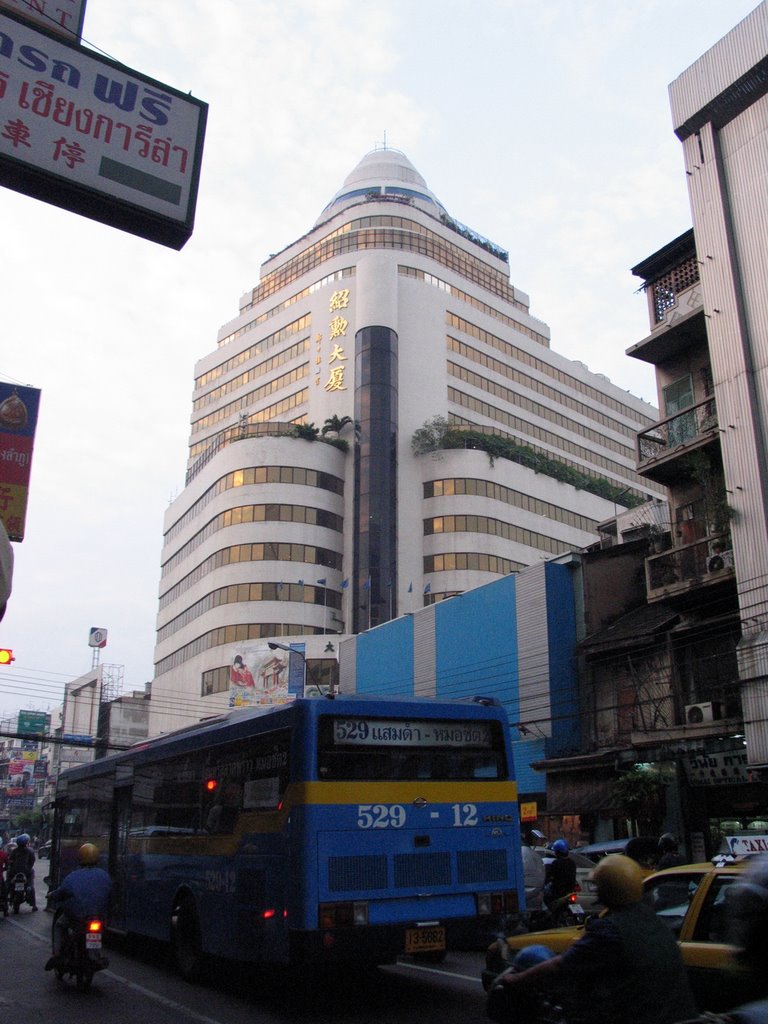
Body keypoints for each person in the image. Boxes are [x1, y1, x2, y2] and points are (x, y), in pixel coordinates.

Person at [494, 854, 697, 1024]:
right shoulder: (654, 922)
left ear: (605, 890)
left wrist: (516, 979)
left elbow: (560, 966)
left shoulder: (609, 931)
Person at [45, 843, 112, 970]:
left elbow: (61, 892)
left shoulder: (72, 876)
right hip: (97, 916)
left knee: (59, 925)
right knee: (96, 932)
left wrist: (51, 895)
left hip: (78, 917)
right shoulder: (104, 876)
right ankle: (95, 956)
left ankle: (57, 954)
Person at [544, 838, 577, 907]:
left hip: (558, 891)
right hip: (570, 890)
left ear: (557, 852)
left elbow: (549, 875)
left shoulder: (556, 863)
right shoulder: (572, 863)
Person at [8, 833, 37, 909]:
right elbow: (32, 861)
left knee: (9, 883)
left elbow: (10, 861)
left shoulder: (14, 851)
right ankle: (34, 905)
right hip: (26, 872)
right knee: (31, 885)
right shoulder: (30, 851)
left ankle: (9, 898)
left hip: (15, 872)